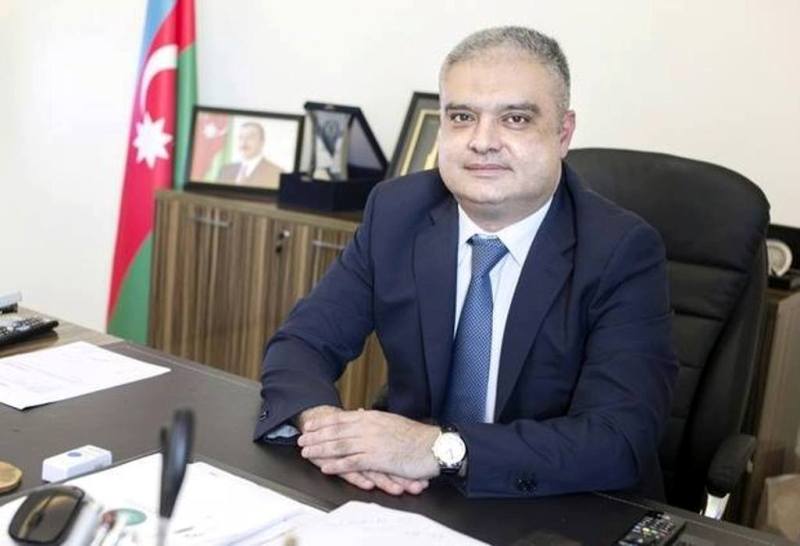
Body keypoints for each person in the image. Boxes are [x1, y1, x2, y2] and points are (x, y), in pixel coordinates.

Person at [254, 26, 678, 499]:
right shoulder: (397, 212)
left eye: (515, 119)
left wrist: (438, 449)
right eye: (462, 117)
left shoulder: (621, 250)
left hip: (558, 504)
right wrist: (328, 431)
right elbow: (302, 343)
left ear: (563, 133)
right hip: (411, 492)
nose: (482, 141)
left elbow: (617, 439)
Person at [218, 122, 283, 189]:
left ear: (262, 142)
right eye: (241, 137)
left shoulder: (277, 173)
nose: (244, 142)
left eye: (250, 137)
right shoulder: (225, 170)